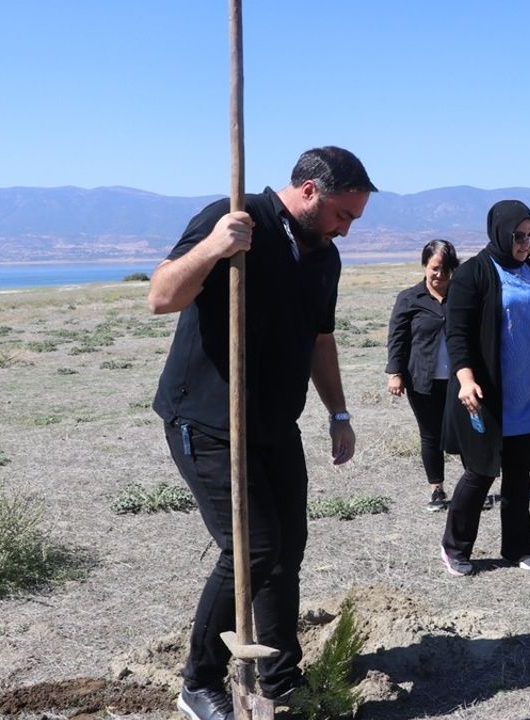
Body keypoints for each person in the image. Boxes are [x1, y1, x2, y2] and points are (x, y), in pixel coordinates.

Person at [148, 146, 376, 720]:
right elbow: (161, 296)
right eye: (342, 216)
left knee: (287, 550)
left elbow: (320, 340)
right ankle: (198, 682)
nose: (347, 230)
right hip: (207, 420)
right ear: (308, 192)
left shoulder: (324, 258)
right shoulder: (233, 217)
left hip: (275, 423)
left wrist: (339, 413)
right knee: (253, 548)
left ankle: (279, 676)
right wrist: (216, 248)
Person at [439, 200, 530, 576]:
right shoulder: (473, 274)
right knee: (481, 471)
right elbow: (458, 335)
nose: (526, 243)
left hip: (527, 393)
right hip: (485, 395)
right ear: (500, 232)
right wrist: (465, 378)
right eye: (519, 236)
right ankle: (455, 547)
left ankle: (518, 546)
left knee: (518, 476)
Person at [385, 239, 461, 511]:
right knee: (431, 435)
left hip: (459, 381)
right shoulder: (409, 298)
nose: (440, 275)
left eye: (447, 269)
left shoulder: (463, 295)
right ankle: (437, 490)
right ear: (425, 266)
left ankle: (470, 489)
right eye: (435, 268)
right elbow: (397, 339)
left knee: (464, 433)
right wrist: (395, 373)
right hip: (421, 379)